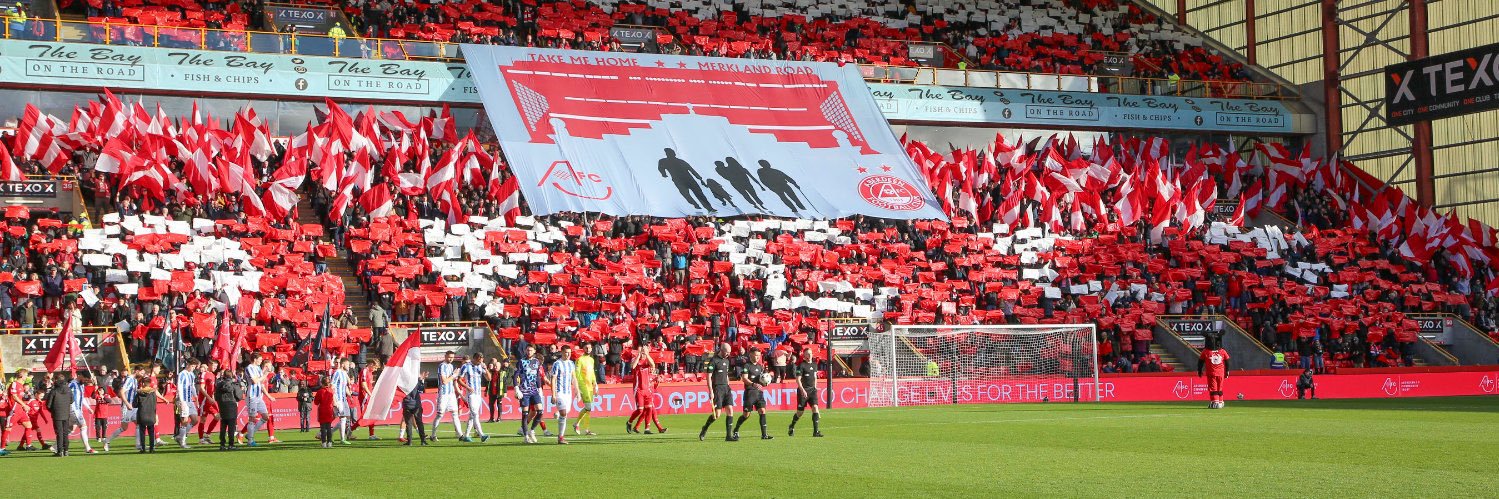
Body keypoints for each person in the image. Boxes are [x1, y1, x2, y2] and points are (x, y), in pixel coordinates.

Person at [732, 347, 773, 441]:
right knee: (746, 415)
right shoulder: (747, 366)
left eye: (759, 355)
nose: (757, 357)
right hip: (750, 393)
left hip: (759, 393)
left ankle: (764, 434)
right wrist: (753, 384)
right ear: (750, 355)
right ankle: (736, 430)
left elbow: (762, 379)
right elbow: (744, 378)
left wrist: (765, 383)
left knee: (762, 411)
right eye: (756, 355)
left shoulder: (760, 367)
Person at [658, 148, 715, 212]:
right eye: (670, 153)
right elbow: (660, 168)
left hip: (689, 179)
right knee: (686, 195)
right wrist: (663, 173)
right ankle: (695, 204)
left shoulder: (681, 161)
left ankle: (709, 208)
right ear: (667, 154)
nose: (672, 154)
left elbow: (691, 170)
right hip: (679, 181)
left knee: (699, 193)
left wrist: (700, 179)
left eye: (672, 152)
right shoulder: (664, 161)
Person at [699, 343, 735, 441]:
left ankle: (729, 436)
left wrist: (728, 384)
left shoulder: (727, 361)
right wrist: (711, 391)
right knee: (717, 415)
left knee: (730, 410)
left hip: (726, 388)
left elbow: (726, 374)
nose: (728, 354)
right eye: (727, 352)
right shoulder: (713, 361)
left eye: (729, 352)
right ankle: (705, 428)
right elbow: (708, 376)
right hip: (717, 389)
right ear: (721, 350)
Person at [626, 344, 665, 434]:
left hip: (647, 390)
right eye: (642, 351)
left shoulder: (647, 360)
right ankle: (629, 422)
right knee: (640, 410)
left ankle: (647, 429)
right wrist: (639, 354)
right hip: (638, 389)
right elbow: (633, 366)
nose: (643, 353)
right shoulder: (635, 359)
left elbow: (653, 364)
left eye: (645, 351)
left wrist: (647, 354)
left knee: (649, 409)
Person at [104, 366, 142, 452]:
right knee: (124, 428)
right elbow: (121, 392)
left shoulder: (135, 380)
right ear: (137, 371)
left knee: (139, 424)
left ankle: (138, 445)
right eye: (141, 372)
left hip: (133, 406)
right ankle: (107, 441)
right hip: (127, 407)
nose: (142, 374)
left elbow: (133, 392)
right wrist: (127, 403)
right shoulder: (129, 379)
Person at [513, 344, 546, 444]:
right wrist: (516, 388)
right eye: (527, 350)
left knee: (540, 411)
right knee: (525, 414)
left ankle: (532, 430)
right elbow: (516, 375)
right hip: (524, 391)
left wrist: (539, 388)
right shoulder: (521, 361)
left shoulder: (536, 362)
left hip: (534, 390)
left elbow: (537, 376)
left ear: (534, 351)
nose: (529, 352)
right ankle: (526, 436)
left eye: (531, 350)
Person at [788, 349, 824, 437]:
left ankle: (816, 432)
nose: (809, 355)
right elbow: (798, 379)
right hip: (803, 391)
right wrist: (802, 390)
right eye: (807, 354)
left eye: (810, 354)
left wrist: (815, 387)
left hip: (812, 391)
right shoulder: (801, 365)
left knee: (815, 408)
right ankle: (792, 425)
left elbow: (815, 377)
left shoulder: (814, 364)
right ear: (804, 356)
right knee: (800, 412)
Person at [548, 344, 578, 445]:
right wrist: (553, 394)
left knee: (565, 412)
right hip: (559, 392)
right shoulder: (557, 364)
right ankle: (561, 437)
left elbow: (574, 378)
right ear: (562, 352)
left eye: (569, 353)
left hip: (568, 393)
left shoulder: (571, 363)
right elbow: (553, 379)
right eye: (566, 353)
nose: (568, 354)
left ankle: (558, 414)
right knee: (564, 413)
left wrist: (577, 391)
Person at [458, 353, 490, 443]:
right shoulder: (466, 366)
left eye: (482, 360)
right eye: (479, 360)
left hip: (478, 394)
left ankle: (466, 435)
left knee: (472, 416)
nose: (481, 361)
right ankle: (482, 435)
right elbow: (459, 380)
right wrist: (467, 387)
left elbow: (489, 378)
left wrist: (486, 369)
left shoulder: (480, 366)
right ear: (475, 359)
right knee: (475, 414)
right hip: (470, 394)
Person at [431, 351, 462, 442]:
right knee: (440, 415)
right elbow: (444, 381)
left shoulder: (451, 366)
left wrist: (455, 377)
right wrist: (454, 375)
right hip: (443, 394)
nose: (451, 359)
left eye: (452, 357)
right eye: (449, 357)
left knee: (455, 413)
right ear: (445, 357)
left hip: (451, 393)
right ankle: (433, 435)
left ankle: (460, 435)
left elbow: (452, 380)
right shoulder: (442, 366)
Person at [240, 354, 271, 445]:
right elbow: (255, 381)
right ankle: (250, 440)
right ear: (255, 359)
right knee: (252, 419)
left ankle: (250, 434)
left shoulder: (258, 368)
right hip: (252, 396)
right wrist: (265, 373)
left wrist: (265, 372)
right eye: (260, 359)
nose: (261, 361)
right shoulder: (249, 368)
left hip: (259, 396)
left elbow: (261, 381)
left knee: (265, 417)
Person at [68, 370, 98, 454]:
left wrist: (88, 408)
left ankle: (55, 446)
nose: (85, 381)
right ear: (80, 376)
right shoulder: (72, 384)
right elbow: (65, 395)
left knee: (69, 429)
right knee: (83, 426)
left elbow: (82, 398)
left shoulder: (81, 385)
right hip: (74, 409)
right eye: (85, 379)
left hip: (78, 410)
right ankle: (87, 448)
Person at [44, 372, 74, 456]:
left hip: (57, 414)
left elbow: (48, 405)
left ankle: (60, 451)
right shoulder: (68, 390)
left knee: (59, 433)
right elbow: (72, 400)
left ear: (56, 380)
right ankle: (66, 450)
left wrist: (53, 410)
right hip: (66, 413)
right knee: (65, 433)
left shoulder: (54, 391)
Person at [174, 359, 201, 449]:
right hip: (182, 400)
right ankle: (182, 442)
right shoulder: (182, 374)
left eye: (194, 366)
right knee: (184, 420)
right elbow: (179, 387)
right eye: (192, 366)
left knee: (195, 420)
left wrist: (196, 397)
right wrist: (182, 401)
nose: (193, 368)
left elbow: (192, 386)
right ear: (188, 364)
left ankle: (179, 436)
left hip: (190, 400)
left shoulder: (191, 374)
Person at [214, 369, 243, 450]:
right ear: (232, 375)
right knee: (231, 426)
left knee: (223, 425)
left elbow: (216, 397)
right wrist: (241, 390)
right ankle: (231, 444)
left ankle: (222, 444)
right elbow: (239, 396)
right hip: (231, 405)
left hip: (222, 405)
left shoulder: (219, 385)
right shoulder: (234, 384)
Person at [573, 344, 598, 436]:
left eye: (589, 348)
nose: (588, 349)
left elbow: (592, 373)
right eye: (586, 348)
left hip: (590, 386)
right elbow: (577, 374)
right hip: (583, 386)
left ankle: (586, 429)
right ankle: (576, 424)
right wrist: (578, 387)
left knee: (588, 409)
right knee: (588, 407)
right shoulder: (579, 360)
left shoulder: (591, 360)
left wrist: (595, 383)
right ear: (583, 349)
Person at [1198, 343, 1231, 409]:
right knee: (1220, 388)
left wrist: (1199, 370)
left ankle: (1215, 402)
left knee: (1213, 388)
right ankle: (1221, 402)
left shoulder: (1206, 351)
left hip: (1211, 373)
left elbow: (1200, 361)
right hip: (1221, 373)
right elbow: (1227, 361)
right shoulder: (1222, 351)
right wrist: (1227, 371)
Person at [196, 359, 220, 445]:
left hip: (210, 400)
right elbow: (201, 388)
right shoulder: (204, 374)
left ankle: (207, 435)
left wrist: (212, 397)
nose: (215, 367)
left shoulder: (213, 375)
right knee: (203, 419)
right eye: (214, 366)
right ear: (209, 365)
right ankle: (201, 439)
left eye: (216, 366)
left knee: (217, 416)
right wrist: (209, 398)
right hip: (204, 400)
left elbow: (212, 389)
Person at [400, 373, 428, 446]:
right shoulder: (415, 382)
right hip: (416, 404)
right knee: (419, 422)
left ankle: (409, 441)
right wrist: (421, 380)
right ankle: (423, 440)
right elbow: (421, 389)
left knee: (408, 424)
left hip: (407, 404)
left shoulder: (402, 384)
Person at [330, 358, 353, 444]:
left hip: (343, 399)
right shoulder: (337, 373)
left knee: (345, 418)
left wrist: (349, 395)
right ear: (343, 364)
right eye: (347, 364)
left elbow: (345, 386)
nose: (348, 366)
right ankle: (342, 439)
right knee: (342, 418)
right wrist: (334, 400)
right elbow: (332, 386)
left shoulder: (344, 373)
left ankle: (330, 433)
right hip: (338, 398)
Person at [133, 375, 159, 453]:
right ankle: (152, 448)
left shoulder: (139, 393)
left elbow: (134, 405)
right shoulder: (153, 393)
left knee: (142, 432)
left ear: (143, 383)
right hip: (151, 414)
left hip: (142, 414)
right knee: (151, 432)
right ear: (150, 383)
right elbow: (155, 403)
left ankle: (143, 448)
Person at [314, 379, 336, 449]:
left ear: (322, 384)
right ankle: (329, 442)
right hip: (329, 409)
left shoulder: (320, 391)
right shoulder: (331, 391)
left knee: (323, 428)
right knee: (329, 427)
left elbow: (316, 402)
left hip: (322, 410)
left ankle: (324, 443)